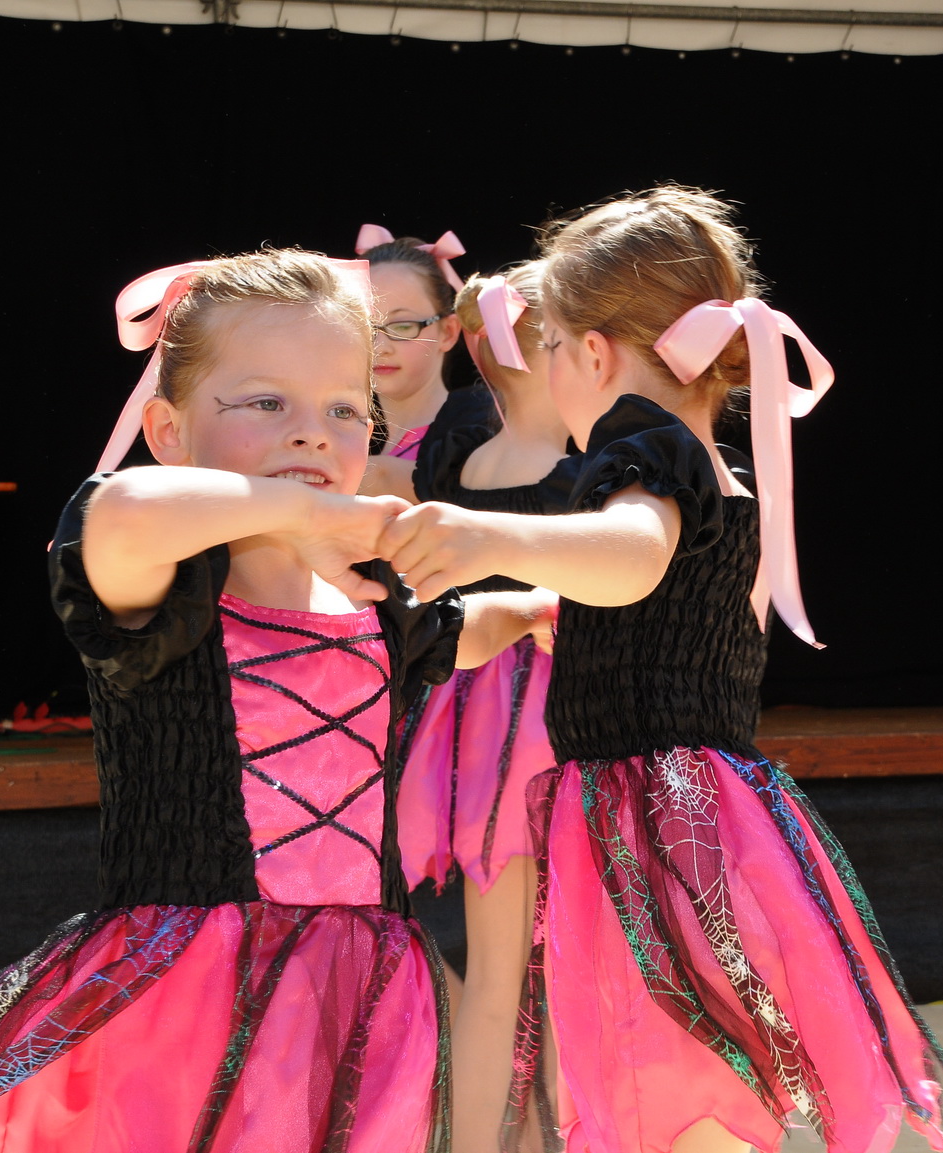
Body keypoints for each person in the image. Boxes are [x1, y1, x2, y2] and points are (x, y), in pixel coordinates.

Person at [0, 250, 552, 1152]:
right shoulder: (158, 581)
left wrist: (537, 607)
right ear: (168, 429)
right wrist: (303, 514)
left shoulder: (380, 606)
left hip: (361, 994)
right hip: (181, 998)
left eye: (343, 410)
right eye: (266, 404)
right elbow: (121, 506)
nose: (310, 434)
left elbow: (466, 625)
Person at [375, 187, 943, 1153]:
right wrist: (512, 611)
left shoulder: (640, 450)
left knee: (670, 1065)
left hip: (648, 815)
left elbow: (633, 556)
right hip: (691, 805)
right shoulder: (707, 453)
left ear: (592, 354)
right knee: (683, 1067)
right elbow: (669, 612)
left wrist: (487, 533)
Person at [393, 262, 572, 1153]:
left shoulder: (462, 456)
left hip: (473, 721)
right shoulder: (591, 468)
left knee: (497, 978)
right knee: (566, 974)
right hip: (557, 725)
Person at [356, 223, 468, 469]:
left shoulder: (469, 446)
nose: (379, 347)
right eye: (365, 326)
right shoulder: (350, 442)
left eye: (402, 326)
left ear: (448, 332)